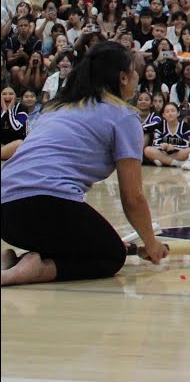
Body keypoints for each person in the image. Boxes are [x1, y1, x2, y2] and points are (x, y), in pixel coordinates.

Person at [1, 42, 168, 285]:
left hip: (6, 214)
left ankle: (12, 261)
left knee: (96, 244)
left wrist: (95, 237)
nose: (136, 78)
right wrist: (151, 243)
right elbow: (133, 197)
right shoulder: (124, 116)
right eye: (134, 72)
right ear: (122, 78)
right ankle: (37, 270)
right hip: (45, 205)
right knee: (112, 256)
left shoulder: (57, 108)